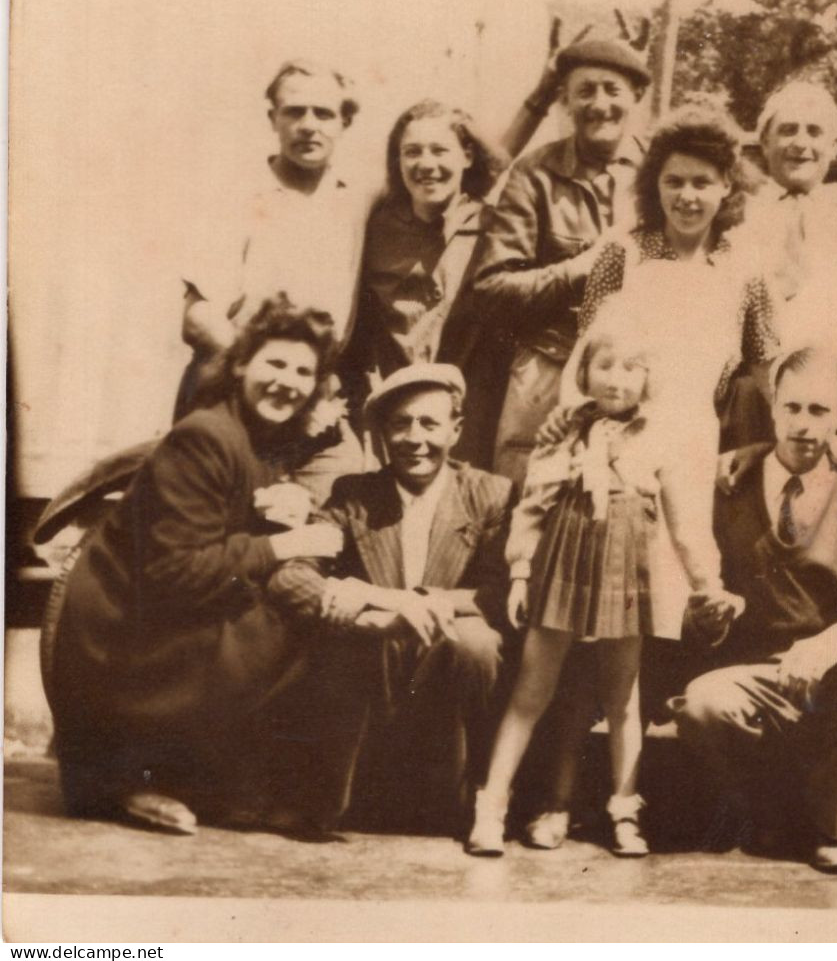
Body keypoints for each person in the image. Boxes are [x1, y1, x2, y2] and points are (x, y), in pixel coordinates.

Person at [48, 296, 358, 839]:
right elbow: (176, 572)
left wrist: (285, 514)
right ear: (240, 364)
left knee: (291, 616)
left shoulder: (255, 442)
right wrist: (282, 546)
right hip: (123, 639)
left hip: (156, 622)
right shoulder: (205, 436)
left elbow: (223, 532)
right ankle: (129, 773)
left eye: (304, 372)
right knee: (287, 627)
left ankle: (190, 776)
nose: (287, 382)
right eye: (275, 363)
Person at [464, 302, 734, 858]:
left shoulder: (658, 438)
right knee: (531, 691)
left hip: (623, 573)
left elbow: (684, 526)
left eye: (631, 367)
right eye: (605, 365)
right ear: (584, 371)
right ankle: (491, 808)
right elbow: (534, 508)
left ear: (648, 379)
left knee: (622, 698)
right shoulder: (562, 431)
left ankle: (624, 812)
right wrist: (520, 574)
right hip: (564, 565)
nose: (616, 378)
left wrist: (707, 584)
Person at [672, 347, 837, 874]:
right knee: (702, 704)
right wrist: (710, 615)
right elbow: (686, 580)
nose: (804, 425)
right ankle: (770, 812)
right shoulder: (728, 483)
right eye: (793, 408)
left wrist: (835, 639)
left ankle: (834, 829)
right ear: (773, 409)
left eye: (820, 411)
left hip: (835, 672)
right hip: (759, 672)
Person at [265, 363, 514, 836]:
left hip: (447, 678)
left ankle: (473, 795)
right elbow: (291, 576)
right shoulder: (354, 494)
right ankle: (330, 799)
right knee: (351, 630)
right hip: (378, 682)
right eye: (399, 424)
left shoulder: (490, 494)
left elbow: (500, 595)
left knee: (475, 642)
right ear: (381, 434)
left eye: (429, 423)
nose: (414, 438)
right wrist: (370, 601)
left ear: (456, 430)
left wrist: (418, 600)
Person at [458, 39, 651, 482]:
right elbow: (491, 288)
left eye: (611, 89)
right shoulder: (534, 173)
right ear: (564, 100)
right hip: (546, 367)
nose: (599, 104)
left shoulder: (660, 172)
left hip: (635, 374)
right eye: (584, 92)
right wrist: (579, 271)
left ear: (636, 96)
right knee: (523, 498)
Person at [177, 60, 371, 500]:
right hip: (235, 402)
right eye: (294, 111)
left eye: (323, 113)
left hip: (315, 411)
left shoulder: (358, 198)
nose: (308, 126)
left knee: (348, 500)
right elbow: (198, 318)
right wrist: (268, 379)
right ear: (272, 119)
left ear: (345, 122)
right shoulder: (239, 194)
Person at [575, 106, 779, 452]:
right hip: (618, 439)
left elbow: (765, 367)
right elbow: (585, 358)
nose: (687, 196)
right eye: (674, 182)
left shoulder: (745, 266)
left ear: (727, 184)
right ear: (656, 184)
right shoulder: (623, 254)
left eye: (702, 182)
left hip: (700, 436)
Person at [346, 101, 508, 391]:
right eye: (412, 152)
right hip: (393, 406)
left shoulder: (494, 228)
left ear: (467, 157)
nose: (426, 164)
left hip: (469, 406)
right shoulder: (375, 228)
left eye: (440, 150)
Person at [737, 81, 837, 369]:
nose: (801, 144)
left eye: (815, 132)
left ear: (834, 147)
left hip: (826, 383)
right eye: (787, 130)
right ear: (764, 141)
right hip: (747, 379)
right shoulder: (736, 215)